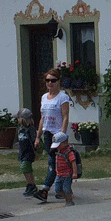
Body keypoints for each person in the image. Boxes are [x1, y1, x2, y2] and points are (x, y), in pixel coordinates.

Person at [34, 67, 71, 197]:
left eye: (53, 80)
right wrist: (38, 137)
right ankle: (60, 188)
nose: (50, 83)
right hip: (47, 133)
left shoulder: (63, 97)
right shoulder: (44, 97)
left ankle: (45, 190)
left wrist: (62, 134)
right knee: (56, 162)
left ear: (58, 81)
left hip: (57, 134)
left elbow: (65, 117)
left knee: (53, 161)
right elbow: (42, 118)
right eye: (47, 80)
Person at [50, 132, 77, 206]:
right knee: (58, 189)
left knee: (66, 189)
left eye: (58, 145)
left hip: (67, 174)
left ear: (65, 142)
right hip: (59, 174)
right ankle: (68, 197)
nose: (57, 147)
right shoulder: (58, 151)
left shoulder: (69, 152)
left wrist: (74, 173)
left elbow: (73, 162)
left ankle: (69, 201)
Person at [16, 108, 38, 196]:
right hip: (22, 152)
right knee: (26, 169)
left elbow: (33, 141)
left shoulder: (31, 129)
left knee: (25, 167)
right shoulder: (21, 129)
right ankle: (30, 184)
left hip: (29, 152)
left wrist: (36, 151)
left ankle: (31, 185)